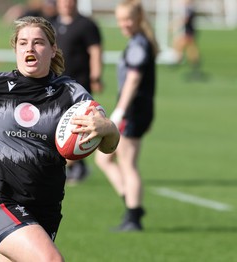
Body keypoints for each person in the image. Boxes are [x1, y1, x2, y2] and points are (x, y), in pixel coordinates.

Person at [0, 16, 119, 261]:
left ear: (53, 49)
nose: (30, 48)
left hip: (46, 207)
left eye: (38, 42)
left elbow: (109, 147)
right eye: (23, 43)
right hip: (2, 199)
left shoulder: (72, 94)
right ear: (16, 48)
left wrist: (108, 127)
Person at [95, 0, 158, 232]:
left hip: (132, 112)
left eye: (128, 19)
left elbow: (133, 79)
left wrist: (120, 112)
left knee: (127, 163)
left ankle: (133, 216)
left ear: (139, 18)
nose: (124, 24)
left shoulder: (139, 44)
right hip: (136, 111)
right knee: (104, 159)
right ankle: (133, 205)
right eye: (120, 20)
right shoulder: (139, 41)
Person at [51, 0, 104, 184]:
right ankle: (76, 166)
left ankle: (75, 166)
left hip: (79, 85)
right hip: (57, 85)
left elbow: (95, 51)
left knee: (77, 126)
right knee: (58, 125)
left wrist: (96, 76)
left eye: (70, 1)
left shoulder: (86, 25)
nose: (66, 4)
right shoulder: (53, 24)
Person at [172, 0, 203, 80]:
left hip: (189, 32)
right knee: (189, 49)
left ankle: (179, 61)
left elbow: (185, 20)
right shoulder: (189, 9)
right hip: (190, 32)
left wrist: (175, 25)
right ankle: (194, 64)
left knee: (180, 45)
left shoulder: (189, 9)